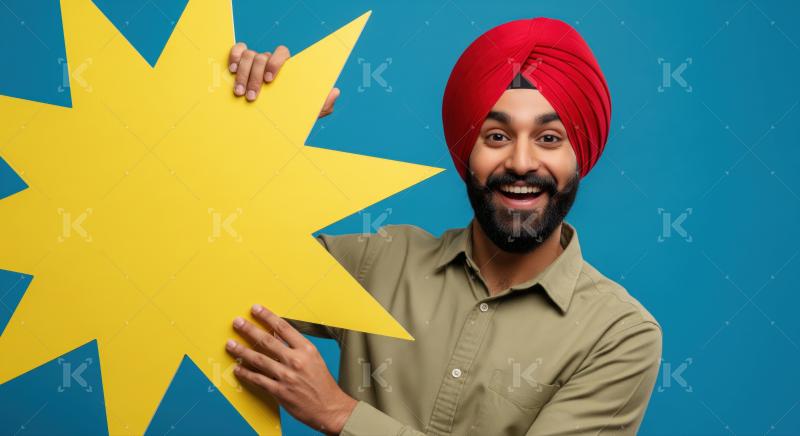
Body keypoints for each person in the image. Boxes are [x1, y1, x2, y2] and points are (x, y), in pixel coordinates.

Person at [223, 18, 662, 435]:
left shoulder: (619, 335)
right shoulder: (380, 262)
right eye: (497, 136)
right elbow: (216, 262)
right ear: (467, 153)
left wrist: (340, 414)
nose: (521, 162)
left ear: (579, 156)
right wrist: (258, 130)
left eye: (549, 139)